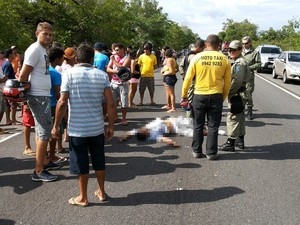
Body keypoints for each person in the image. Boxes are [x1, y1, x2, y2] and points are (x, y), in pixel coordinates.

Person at [51, 43, 116, 207]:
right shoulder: (101, 75)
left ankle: (83, 197)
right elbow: (111, 103)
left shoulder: (69, 74)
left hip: (77, 128)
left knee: (81, 163)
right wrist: (111, 126)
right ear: (92, 58)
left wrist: (56, 126)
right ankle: (101, 191)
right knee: (99, 160)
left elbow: (62, 102)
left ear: (76, 58)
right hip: (96, 128)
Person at [18, 22, 61, 182]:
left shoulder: (43, 50)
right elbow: (23, 76)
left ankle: (43, 161)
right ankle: (38, 171)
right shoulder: (35, 50)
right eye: (45, 34)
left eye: (50, 34)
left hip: (42, 95)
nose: (48, 37)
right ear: (37, 34)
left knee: (41, 131)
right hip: (37, 96)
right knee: (44, 132)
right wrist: (25, 96)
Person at [180, 34, 231, 160]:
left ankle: (197, 151)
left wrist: (184, 96)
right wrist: (223, 97)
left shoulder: (197, 57)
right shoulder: (224, 59)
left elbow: (188, 78)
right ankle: (211, 153)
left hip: (199, 95)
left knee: (198, 124)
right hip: (216, 95)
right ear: (218, 45)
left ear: (206, 44)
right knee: (213, 126)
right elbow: (228, 82)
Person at [219, 40, 250, 152]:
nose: (231, 52)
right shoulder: (239, 61)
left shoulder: (239, 63)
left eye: (234, 50)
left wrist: (229, 92)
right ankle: (240, 141)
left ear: (240, 50)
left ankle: (230, 143)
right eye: (229, 49)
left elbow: (237, 80)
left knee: (232, 117)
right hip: (241, 93)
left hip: (237, 94)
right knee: (240, 117)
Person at [47, 46, 67, 163]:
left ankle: (45, 154)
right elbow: (58, 94)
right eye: (62, 57)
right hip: (54, 105)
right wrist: (64, 111)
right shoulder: (55, 73)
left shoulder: (45, 71)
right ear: (57, 59)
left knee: (44, 131)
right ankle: (53, 155)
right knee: (56, 129)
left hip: (45, 104)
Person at [179, 39, 205, 118]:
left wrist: (184, 76)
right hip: (193, 81)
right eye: (202, 49)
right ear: (199, 47)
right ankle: (190, 120)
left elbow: (181, 66)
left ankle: (192, 119)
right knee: (190, 102)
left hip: (190, 80)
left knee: (193, 101)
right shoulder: (194, 57)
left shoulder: (187, 55)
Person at [106, 43, 131, 126]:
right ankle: (115, 117)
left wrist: (113, 60)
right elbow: (108, 68)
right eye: (115, 50)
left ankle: (124, 118)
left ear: (122, 49)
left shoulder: (127, 58)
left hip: (123, 83)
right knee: (112, 102)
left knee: (124, 103)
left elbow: (122, 68)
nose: (115, 52)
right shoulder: (114, 57)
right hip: (114, 83)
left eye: (117, 50)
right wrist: (116, 72)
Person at [241, 36, 261, 120]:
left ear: (250, 43)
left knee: (248, 92)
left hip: (249, 76)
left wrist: (249, 67)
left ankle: (249, 110)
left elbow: (258, 64)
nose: (244, 45)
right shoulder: (240, 51)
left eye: (246, 43)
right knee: (239, 92)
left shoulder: (255, 53)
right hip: (239, 75)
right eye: (243, 43)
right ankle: (240, 110)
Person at [2, 48, 21, 125]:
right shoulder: (8, 64)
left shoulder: (6, 63)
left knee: (8, 105)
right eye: (13, 53)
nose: (15, 55)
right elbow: (6, 76)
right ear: (10, 55)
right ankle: (12, 119)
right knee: (13, 104)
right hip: (9, 87)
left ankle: (9, 119)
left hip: (7, 86)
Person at [137, 42, 157, 106]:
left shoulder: (153, 57)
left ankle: (152, 101)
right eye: (144, 49)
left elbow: (155, 65)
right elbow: (139, 65)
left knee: (151, 90)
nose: (145, 50)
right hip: (143, 76)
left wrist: (150, 70)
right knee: (141, 90)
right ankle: (141, 101)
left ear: (150, 49)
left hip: (151, 76)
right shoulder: (141, 56)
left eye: (147, 49)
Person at [160, 49, 178, 113]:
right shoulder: (173, 59)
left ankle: (173, 107)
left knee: (171, 94)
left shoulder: (169, 60)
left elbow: (171, 71)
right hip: (170, 77)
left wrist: (164, 73)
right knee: (169, 93)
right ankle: (169, 105)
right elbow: (176, 69)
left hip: (169, 77)